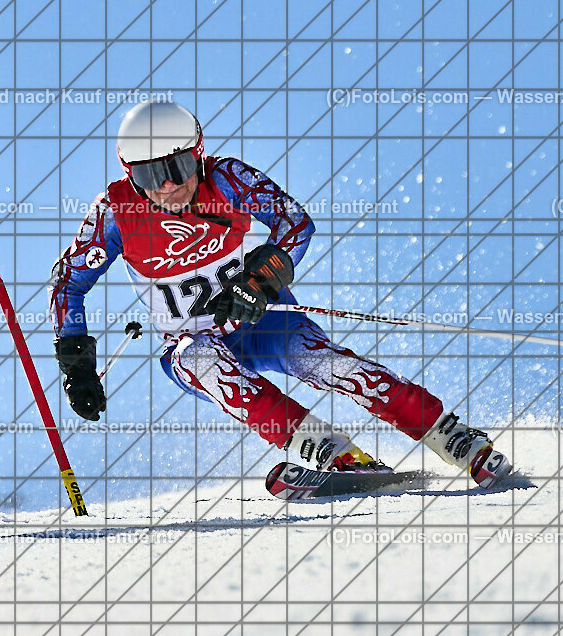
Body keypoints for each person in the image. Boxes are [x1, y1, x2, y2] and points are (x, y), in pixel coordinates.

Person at [48, 101, 511, 488]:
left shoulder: (227, 179)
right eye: (151, 176)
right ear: (130, 175)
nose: (169, 185)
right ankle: (332, 451)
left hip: (263, 321)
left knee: (324, 363)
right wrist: (77, 365)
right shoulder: (116, 212)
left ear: (199, 155)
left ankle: (451, 436)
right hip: (193, 343)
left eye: (179, 167)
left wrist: (258, 282)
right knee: (199, 358)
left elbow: (295, 222)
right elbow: (69, 281)